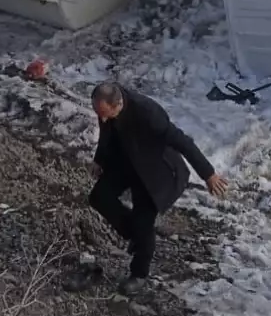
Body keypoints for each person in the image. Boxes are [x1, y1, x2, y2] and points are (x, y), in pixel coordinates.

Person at [87, 82, 228, 295]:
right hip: (125, 161)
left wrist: (208, 174)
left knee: (144, 220)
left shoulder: (149, 114)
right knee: (99, 197)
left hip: (155, 170)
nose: (103, 119)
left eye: (107, 114)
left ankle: (139, 274)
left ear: (119, 104)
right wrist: (100, 160)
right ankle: (135, 233)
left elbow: (183, 142)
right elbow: (107, 133)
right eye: (100, 114)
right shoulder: (105, 105)